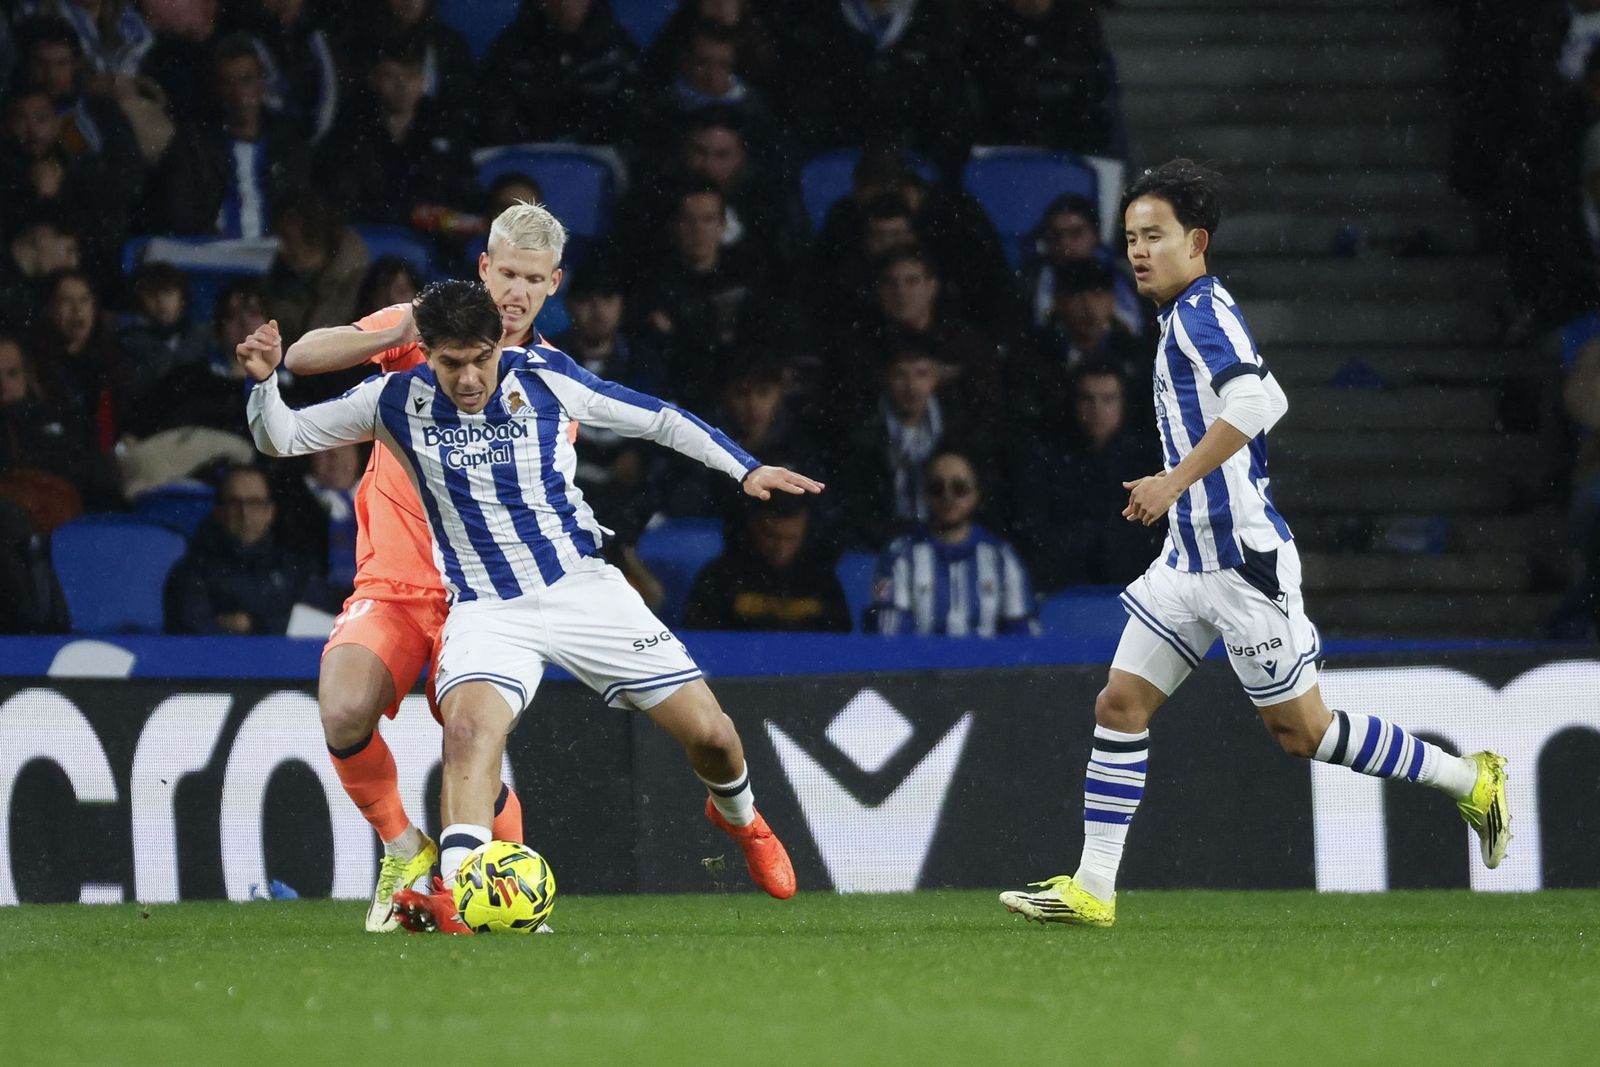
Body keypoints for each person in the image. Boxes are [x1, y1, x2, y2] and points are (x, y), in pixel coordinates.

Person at [998, 160, 1511, 929]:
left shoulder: (1204, 313)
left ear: (1196, 241)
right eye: (1131, 237)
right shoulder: (1177, 312)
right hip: (1187, 559)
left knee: (1304, 732)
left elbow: (1260, 398)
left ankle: (1468, 777)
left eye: (1155, 236)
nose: (1138, 250)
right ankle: (1092, 886)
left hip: (1241, 563)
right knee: (1120, 702)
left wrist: (1173, 480)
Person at [238, 273, 821, 933]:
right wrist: (264, 384)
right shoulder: (392, 399)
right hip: (488, 610)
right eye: (451, 363)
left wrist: (746, 468)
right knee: (466, 733)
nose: (467, 378)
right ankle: (465, 897)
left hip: (580, 588)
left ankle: (740, 817)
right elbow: (280, 437)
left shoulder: (545, 378)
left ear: (500, 344)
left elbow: (658, 418)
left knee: (713, 737)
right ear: (425, 352)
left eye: (480, 359)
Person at [274, 204, 567, 931]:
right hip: (392, 585)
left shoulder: (552, 383)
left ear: (552, 285)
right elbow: (302, 359)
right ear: (483, 269)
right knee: (342, 705)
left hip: (479, 598)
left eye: (532, 279)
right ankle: (404, 849)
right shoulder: (419, 336)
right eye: (506, 273)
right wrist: (407, 325)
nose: (516, 291)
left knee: (474, 748)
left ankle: (503, 888)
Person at [1010, 362, 1163, 591]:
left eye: (1108, 399)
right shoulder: (1047, 458)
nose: (1097, 409)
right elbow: (1035, 529)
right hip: (1059, 588)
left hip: (1138, 586)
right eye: (1087, 399)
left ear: (1124, 403)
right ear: (1073, 402)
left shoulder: (1147, 459)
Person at [143, 32, 312, 237]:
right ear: (216, 90)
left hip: (278, 256)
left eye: (246, 80)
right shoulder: (194, 144)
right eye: (228, 83)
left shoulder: (287, 141)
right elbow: (179, 215)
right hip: (216, 256)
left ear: (261, 84)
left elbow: (302, 207)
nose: (239, 93)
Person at [865, 450, 1036, 636]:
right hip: (920, 664)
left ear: (976, 494)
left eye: (960, 487)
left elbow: (1022, 638)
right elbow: (890, 638)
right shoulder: (899, 556)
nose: (948, 497)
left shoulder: (1002, 557)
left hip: (988, 665)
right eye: (937, 488)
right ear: (925, 495)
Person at [163, 464, 330, 634]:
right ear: (218, 511)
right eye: (235, 503)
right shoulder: (191, 572)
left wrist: (254, 624)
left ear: (270, 511)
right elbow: (193, 634)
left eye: (255, 502)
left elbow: (317, 627)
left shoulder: (298, 569)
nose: (244, 512)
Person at [682, 493, 851, 632]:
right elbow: (700, 639)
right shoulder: (719, 577)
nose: (780, 548)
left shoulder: (820, 580)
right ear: (754, 526)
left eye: (790, 538)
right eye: (772, 536)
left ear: (804, 531)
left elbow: (840, 640)